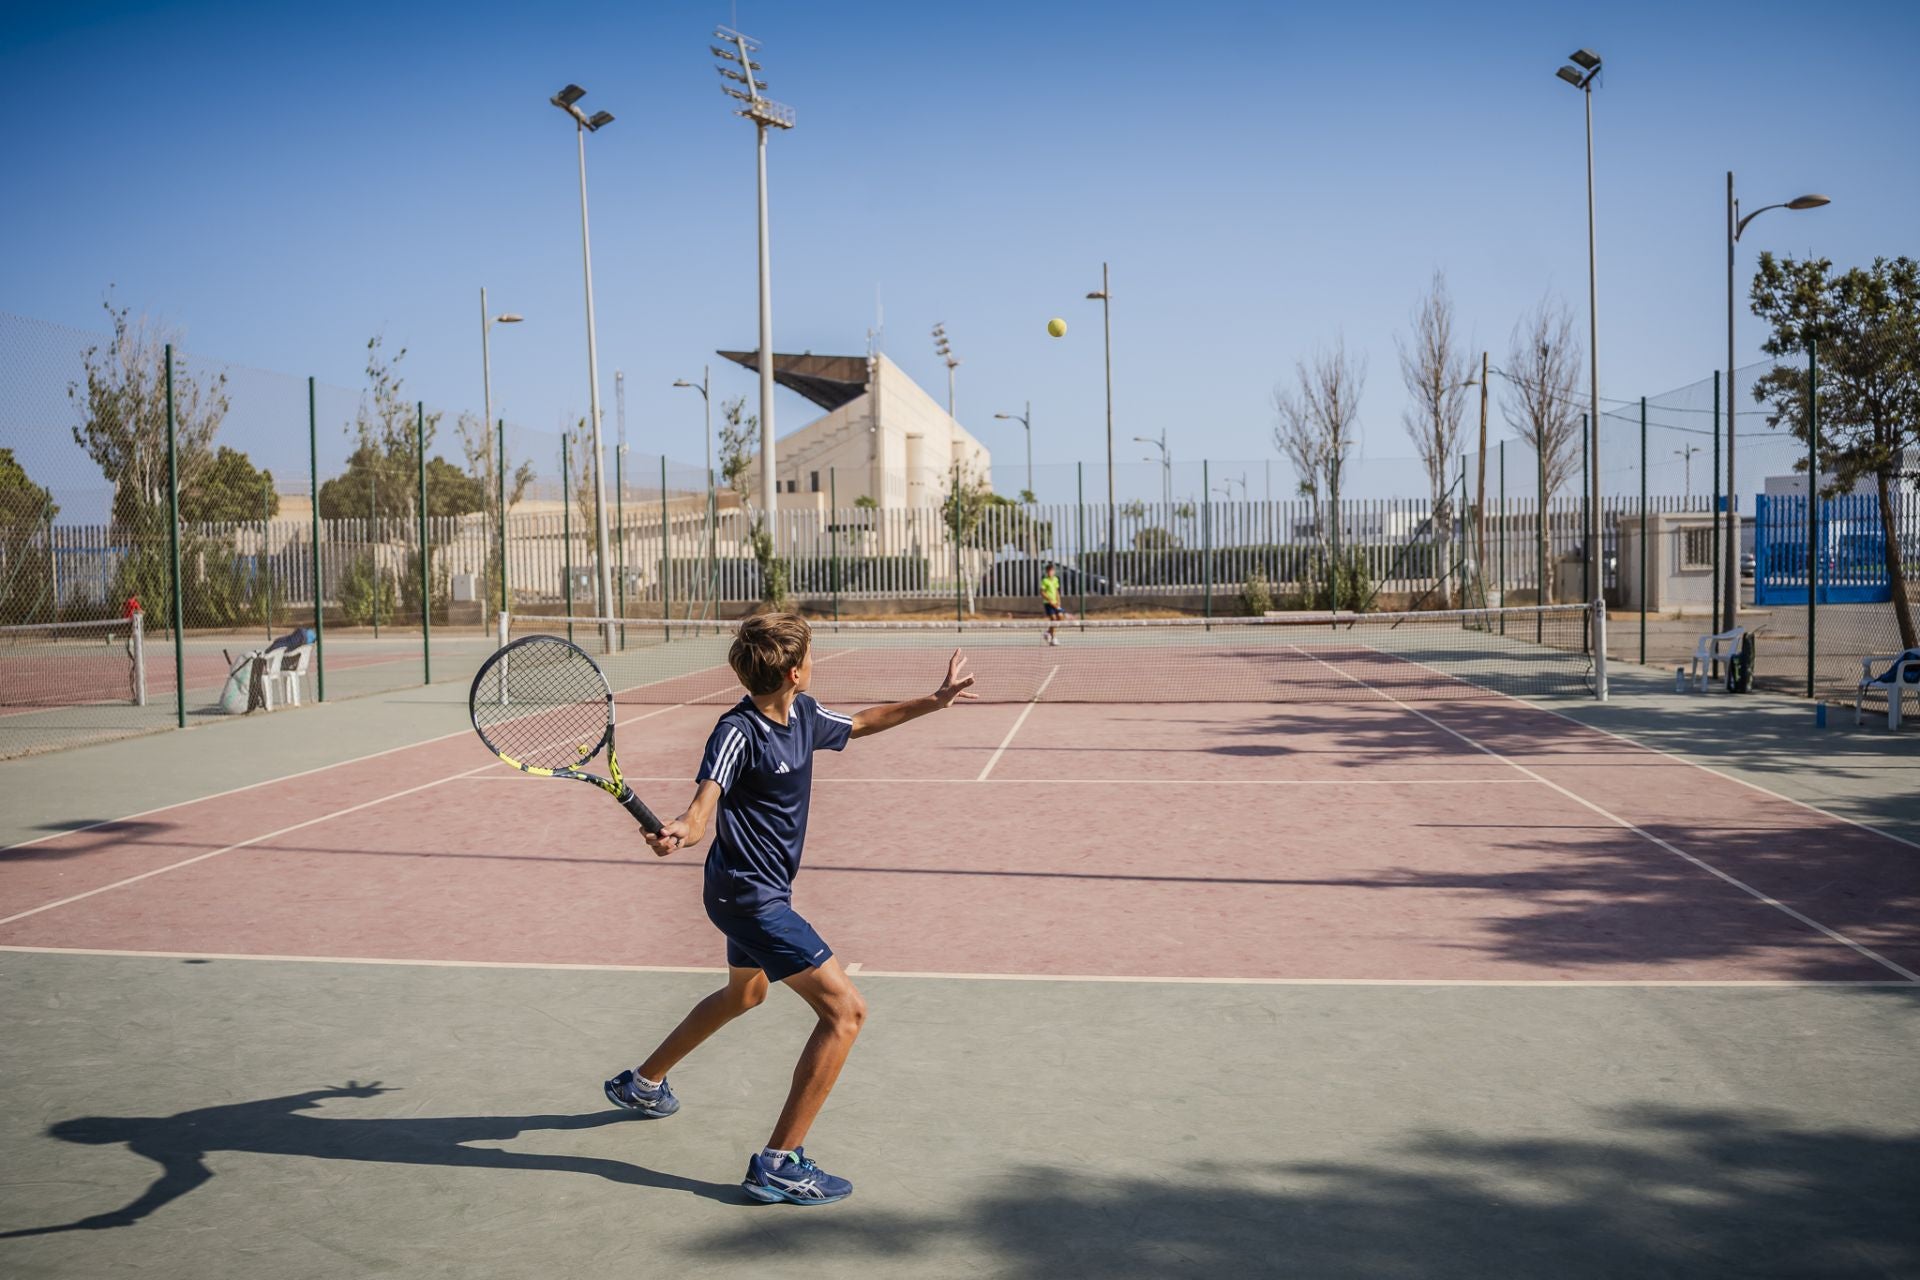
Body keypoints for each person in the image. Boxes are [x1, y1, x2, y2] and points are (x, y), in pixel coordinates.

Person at [606, 612, 976, 1205]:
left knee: (745, 994)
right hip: (748, 897)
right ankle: (779, 1163)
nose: (813, 663)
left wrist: (935, 701)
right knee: (845, 1013)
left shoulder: (803, 714)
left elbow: (860, 723)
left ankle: (643, 1083)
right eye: (810, 656)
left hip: (752, 891)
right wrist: (680, 830)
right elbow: (702, 809)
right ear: (795, 673)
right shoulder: (737, 732)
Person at [1039, 562, 1065, 646]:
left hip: (1055, 602)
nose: (1051, 572)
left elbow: (1056, 591)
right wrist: (1049, 600)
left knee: (1060, 617)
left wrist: (1058, 601)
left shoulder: (1056, 579)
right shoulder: (1044, 580)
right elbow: (1042, 592)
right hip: (1048, 603)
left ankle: (1048, 632)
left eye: (1052, 571)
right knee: (1053, 619)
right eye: (1049, 571)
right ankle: (1053, 638)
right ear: (1047, 572)